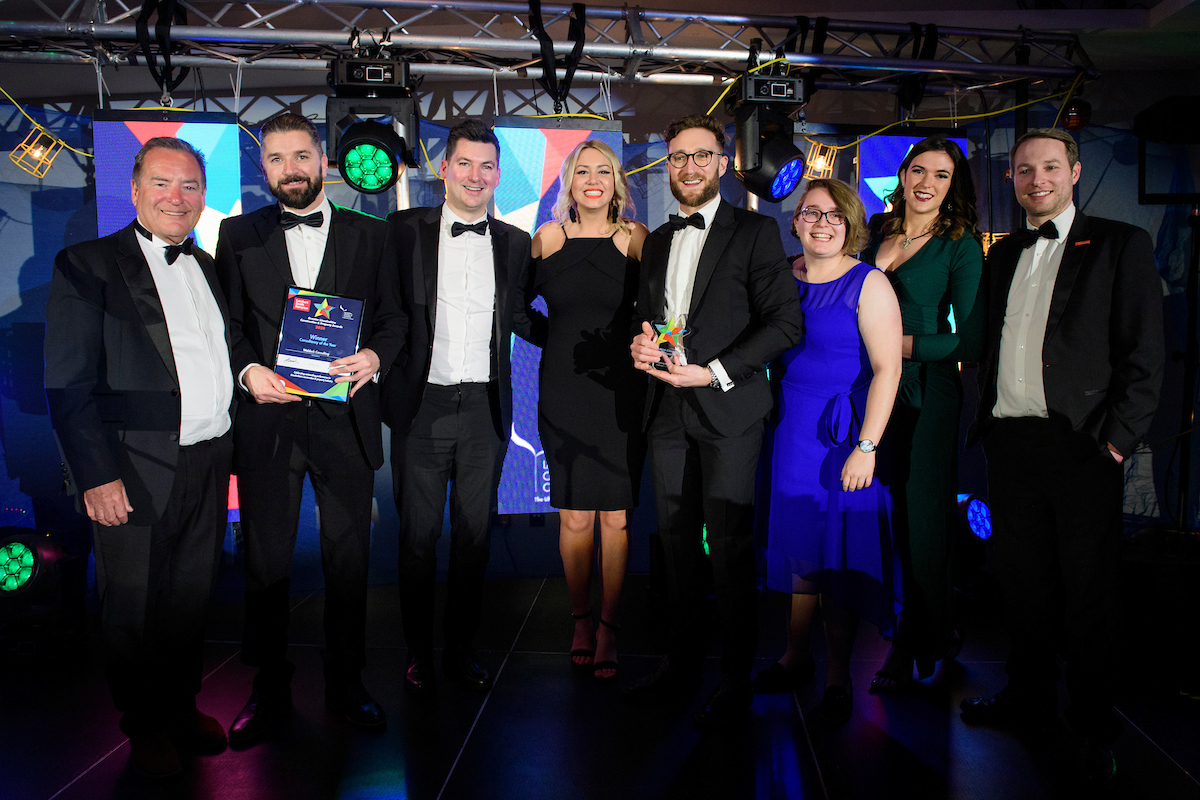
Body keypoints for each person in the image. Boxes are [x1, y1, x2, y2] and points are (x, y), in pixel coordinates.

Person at [961, 128, 1163, 785]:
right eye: (1024, 170)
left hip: (1081, 445)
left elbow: (1144, 355)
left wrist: (1114, 443)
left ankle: (1094, 715)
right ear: (1012, 180)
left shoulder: (1119, 245)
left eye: (1049, 167)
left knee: (1090, 592)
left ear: (1074, 171)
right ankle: (1027, 696)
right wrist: (987, 420)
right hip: (1012, 442)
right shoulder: (1004, 254)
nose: (1036, 179)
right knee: (1023, 585)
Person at [44, 137, 234, 777]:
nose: (176, 198)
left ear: (203, 196)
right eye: (162, 183)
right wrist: (96, 476)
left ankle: (181, 705)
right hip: (130, 470)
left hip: (208, 461)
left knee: (188, 597)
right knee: (131, 603)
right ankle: (142, 720)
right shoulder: (88, 264)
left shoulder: (207, 267)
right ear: (133, 190)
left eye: (189, 187)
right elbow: (67, 384)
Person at [215, 112, 405, 744]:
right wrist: (246, 370)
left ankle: (346, 680)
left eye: (300, 156)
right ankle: (267, 685)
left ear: (323, 161)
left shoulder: (372, 235)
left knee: (347, 559)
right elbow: (230, 325)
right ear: (262, 166)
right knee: (265, 558)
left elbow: (395, 319)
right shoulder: (237, 236)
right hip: (268, 419)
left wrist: (375, 357)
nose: (289, 170)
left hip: (345, 418)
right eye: (276, 159)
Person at [625, 114, 803, 727]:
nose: (690, 167)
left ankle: (734, 676)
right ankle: (680, 663)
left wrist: (716, 371)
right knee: (675, 544)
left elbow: (785, 324)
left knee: (728, 546)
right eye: (678, 157)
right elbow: (649, 319)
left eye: (702, 156)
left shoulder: (755, 232)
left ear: (724, 164)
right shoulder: (654, 240)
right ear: (666, 165)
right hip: (666, 410)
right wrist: (640, 344)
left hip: (729, 408)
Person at [381, 118, 533, 696]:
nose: (475, 176)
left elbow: (521, 316)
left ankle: (462, 649)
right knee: (418, 539)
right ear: (444, 169)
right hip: (422, 407)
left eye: (486, 166)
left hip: (486, 409)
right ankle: (418, 652)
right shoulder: (400, 231)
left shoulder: (516, 243)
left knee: (474, 540)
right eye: (464, 163)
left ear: (499, 176)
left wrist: (577, 338)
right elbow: (380, 307)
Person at [753, 180, 902, 723]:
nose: (822, 222)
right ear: (794, 220)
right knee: (799, 549)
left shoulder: (869, 283)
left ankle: (838, 670)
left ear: (851, 224)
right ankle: (795, 657)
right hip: (791, 426)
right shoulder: (780, 278)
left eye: (835, 215)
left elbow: (889, 370)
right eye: (811, 212)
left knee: (839, 555)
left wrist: (866, 446)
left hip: (843, 435)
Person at [858, 136, 984, 691]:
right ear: (902, 175)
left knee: (923, 522)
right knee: (887, 520)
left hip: (927, 394)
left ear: (953, 185)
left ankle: (915, 639)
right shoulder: (876, 231)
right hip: (867, 391)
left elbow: (970, 339)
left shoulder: (960, 243)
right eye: (918, 170)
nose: (927, 182)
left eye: (942, 174)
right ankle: (933, 626)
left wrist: (896, 343)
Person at [527, 140, 649, 681]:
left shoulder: (636, 239)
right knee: (575, 514)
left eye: (604, 170)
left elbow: (662, 311)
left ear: (617, 182)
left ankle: (610, 626)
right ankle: (580, 620)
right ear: (569, 182)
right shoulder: (548, 238)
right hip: (563, 391)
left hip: (621, 391)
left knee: (616, 518)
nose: (593, 179)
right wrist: (553, 339)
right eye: (583, 170)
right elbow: (512, 307)